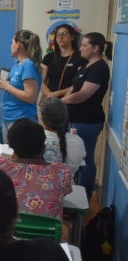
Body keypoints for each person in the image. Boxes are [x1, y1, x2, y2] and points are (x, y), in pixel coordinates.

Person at [61, 32, 113, 199]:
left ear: (96, 48)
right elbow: (74, 88)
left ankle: (84, 195)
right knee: (75, 157)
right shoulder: (87, 65)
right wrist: (61, 99)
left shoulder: (100, 68)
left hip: (87, 121)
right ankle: (75, 193)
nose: (81, 48)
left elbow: (83, 94)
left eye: (84, 45)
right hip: (76, 119)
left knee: (85, 157)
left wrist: (61, 102)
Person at [0, 118, 72, 221]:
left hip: (9, 235)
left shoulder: (0, 167)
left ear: (12, 147)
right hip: (48, 235)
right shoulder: (61, 172)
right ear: (43, 146)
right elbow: (63, 193)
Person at [0, 30, 43, 143]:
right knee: (9, 156)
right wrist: (2, 82)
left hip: (22, 120)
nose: (10, 46)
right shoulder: (17, 63)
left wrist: (7, 86)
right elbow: (15, 86)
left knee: (20, 158)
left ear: (18, 45)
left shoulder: (29, 65)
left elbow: (31, 97)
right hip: (8, 118)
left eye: (12, 43)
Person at [41, 97, 86, 176]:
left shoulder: (33, 139)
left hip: (38, 187)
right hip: (67, 187)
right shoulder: (77, 142)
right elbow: (81, 162)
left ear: (43, 119)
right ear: (65, 119)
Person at [40, 24, 87, 99]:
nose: (61, 37)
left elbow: (80, 83)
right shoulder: (48, 57)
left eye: (65, 34)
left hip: (70, 100)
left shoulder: (80, 57)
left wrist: (57, 94)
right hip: (50, 100)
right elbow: (41, 81)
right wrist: (49, 95)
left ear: (72, 37)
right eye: (58, 34)